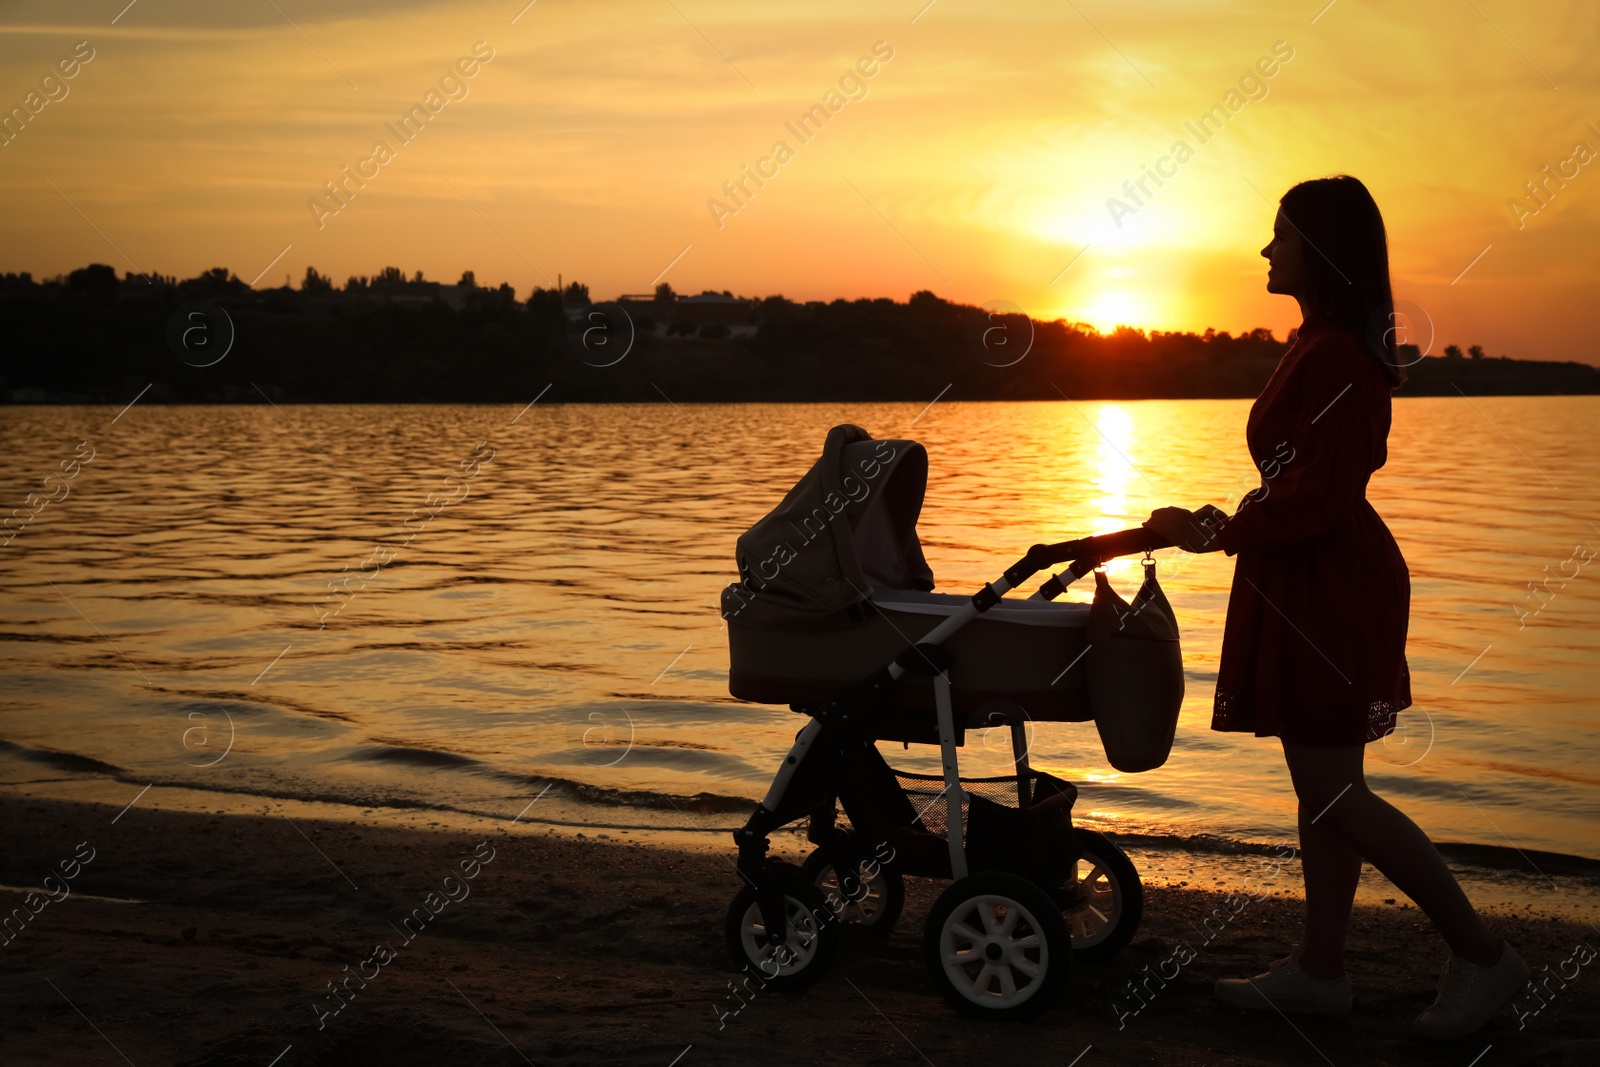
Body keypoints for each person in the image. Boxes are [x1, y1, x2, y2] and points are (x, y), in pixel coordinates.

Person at [1142, 175, 1528, 1041]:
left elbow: (1318, 496)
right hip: (1302, 577)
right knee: (1325, 791)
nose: (1265, 250)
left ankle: (1484, 955)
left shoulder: (1343, 359)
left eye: (1278, 235)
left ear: (1316, 249)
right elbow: (1301, 484)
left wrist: (1212, 531)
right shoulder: (1316, 344)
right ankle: (1321, 970)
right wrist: (1225, 524)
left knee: (1334, 793)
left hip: (1330, 584)